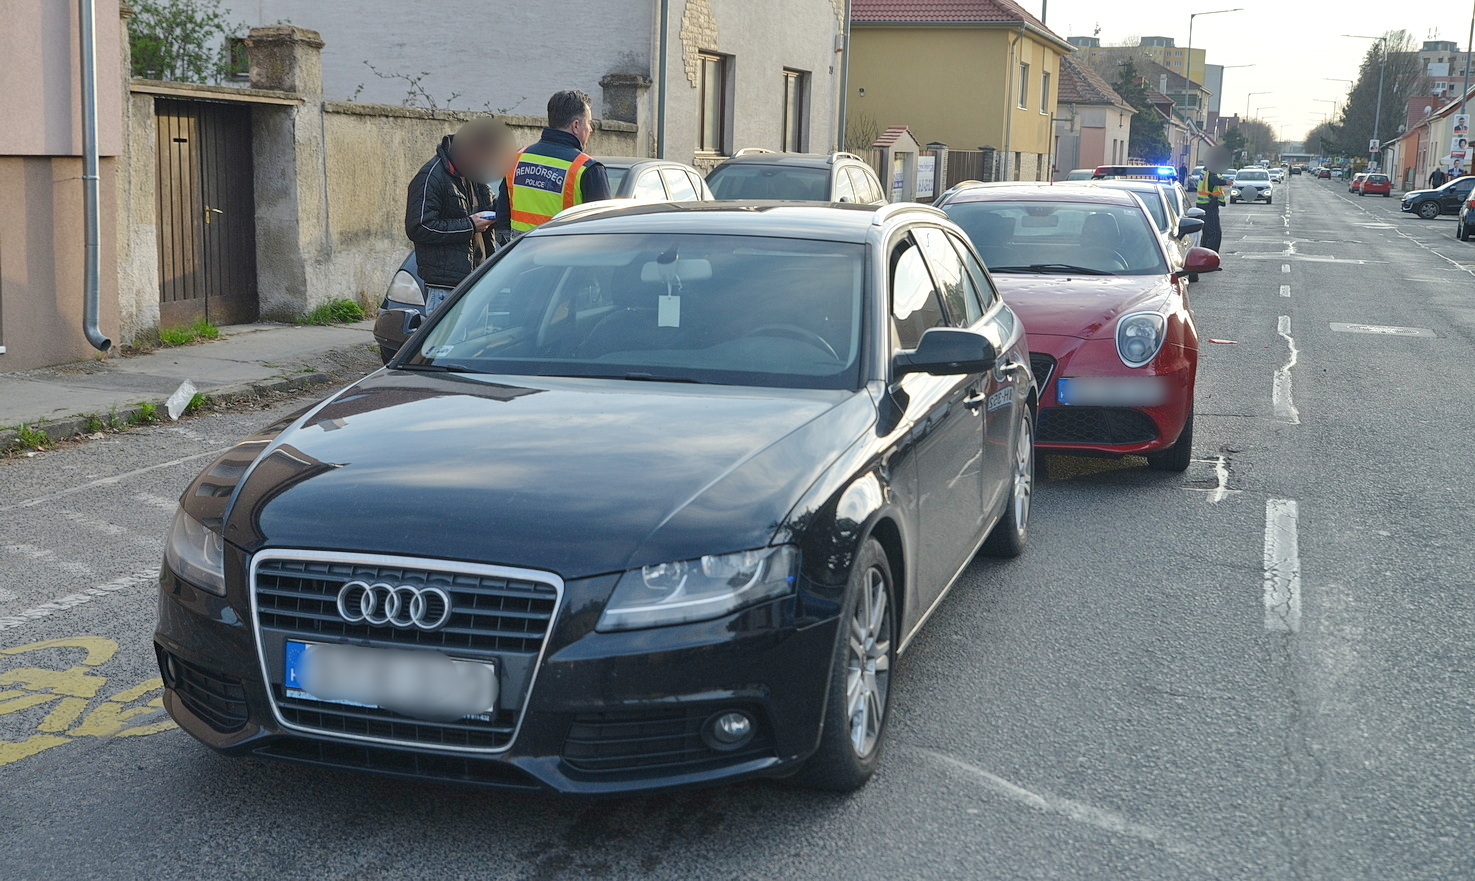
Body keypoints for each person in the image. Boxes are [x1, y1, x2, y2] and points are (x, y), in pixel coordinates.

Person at [404, 117, 514, 301]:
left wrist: (504, 203)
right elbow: (419, 226)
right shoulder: (430, 177)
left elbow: (492, 207)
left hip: (477, 280)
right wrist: (470, 225)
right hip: (446, 287)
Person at [495, 90, 612, 240]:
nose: (591, 129)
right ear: (576, 125)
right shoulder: (588, 169)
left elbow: (502, 221)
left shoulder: (517, 159)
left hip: (522, 253)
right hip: (566, 254)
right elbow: (603, 231)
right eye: (589, 123)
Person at [1197, 146, 1229, 253]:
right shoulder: (1211, 171)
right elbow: (1214, 180)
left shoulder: (1206, 170)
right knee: (1215, 233)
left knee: (1206, 233)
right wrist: (1226, 182)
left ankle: (1204, 254)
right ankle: (1211, 256)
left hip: (1202, 205)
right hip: (1209, 205)